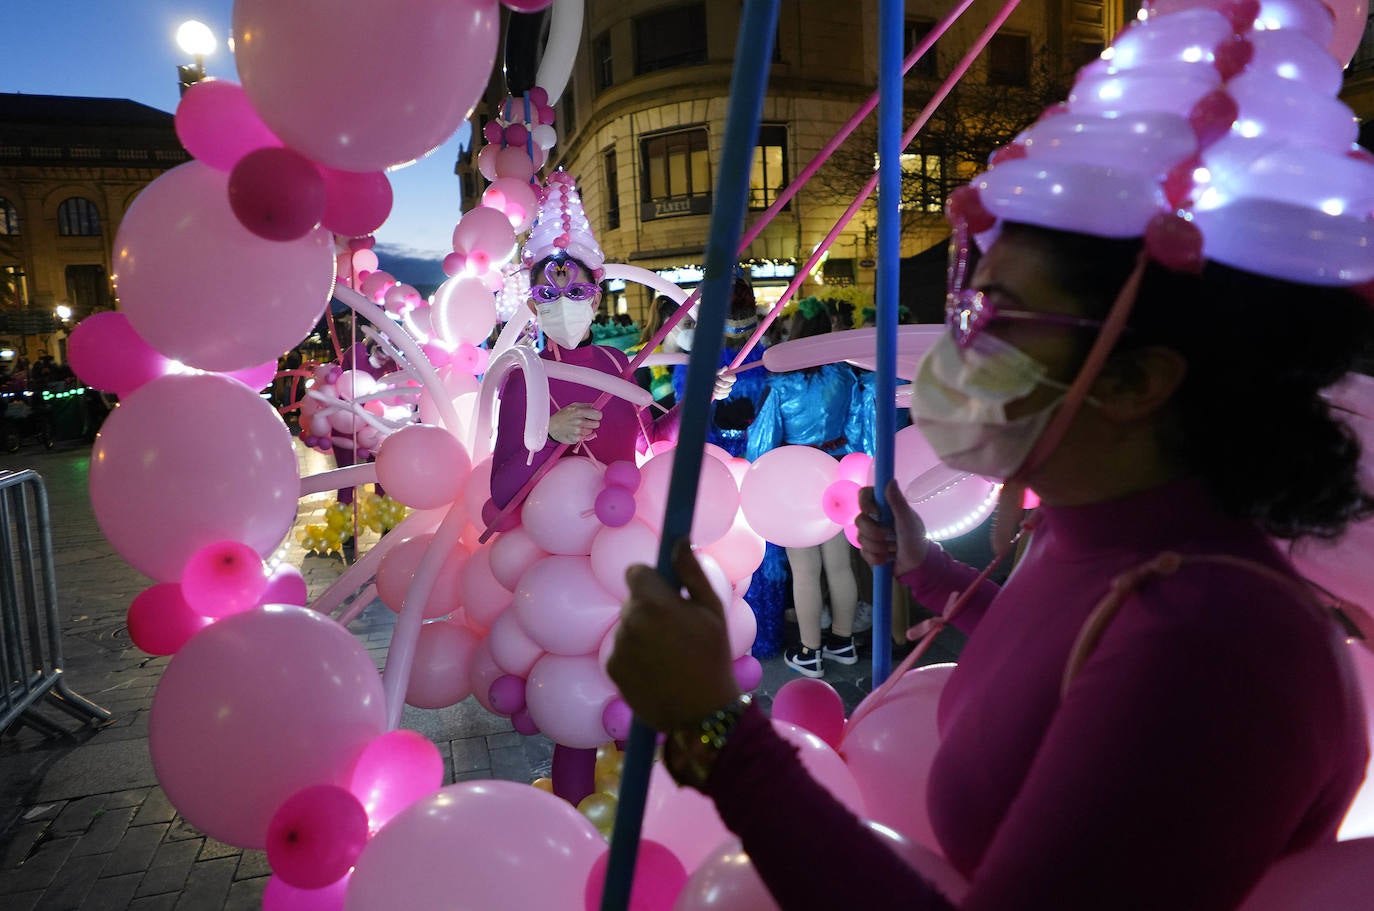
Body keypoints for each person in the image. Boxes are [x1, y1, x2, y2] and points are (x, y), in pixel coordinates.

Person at [745, 296, 860, 674]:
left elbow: (762, 441)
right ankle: (843, 642)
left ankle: (810, 651)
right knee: (841, 566)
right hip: (839, 473)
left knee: (805, 569)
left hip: (797, 477)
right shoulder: (846, 375)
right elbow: (858, 428)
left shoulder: (781, 385)